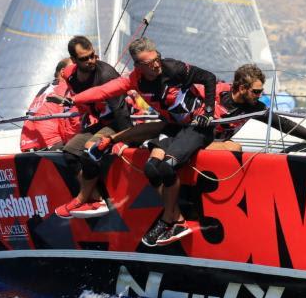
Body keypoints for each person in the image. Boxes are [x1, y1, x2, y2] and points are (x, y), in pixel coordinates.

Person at [64, 37, 217, 247]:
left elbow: (209, 77)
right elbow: (103, 91)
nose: (156, 64)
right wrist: (73, 100)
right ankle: (176, 219)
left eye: (157, 58)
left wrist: (208, 111)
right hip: (173, 127)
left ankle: (169, 220)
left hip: (197, 127)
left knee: (168, 165)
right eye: (149, 63)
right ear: (138, 66)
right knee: (152, 169)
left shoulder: (173, 68)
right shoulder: (134, 80)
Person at [49, 36, 134, 219]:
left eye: (93, 56)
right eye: (85, 58)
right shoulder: (70, 75)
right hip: (100, 122)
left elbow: (121, 112)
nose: (91, 61)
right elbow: (82, 99)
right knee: (70, 152)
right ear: (74, 60)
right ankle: (94, 199)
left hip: (116, 123)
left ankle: (82, 199)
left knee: (90, 149)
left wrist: (128, 140)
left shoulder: (106, 75)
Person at [206, 63, 306, 151]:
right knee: (234, 147)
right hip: (198, 143)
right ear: (242, 89)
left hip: (218, 147)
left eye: (261, 91)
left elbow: (283, 124)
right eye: (256, 92)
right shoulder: (214, 92)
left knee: (234, 147)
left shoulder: (255, 107)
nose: (259, 95)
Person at [19, 58, 80, 152]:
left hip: (28, 143)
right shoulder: (66, 88)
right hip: (51, 142)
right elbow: (69, 120)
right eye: (74, 68)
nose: (77, 71)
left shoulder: (44, 89)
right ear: (63, 72)